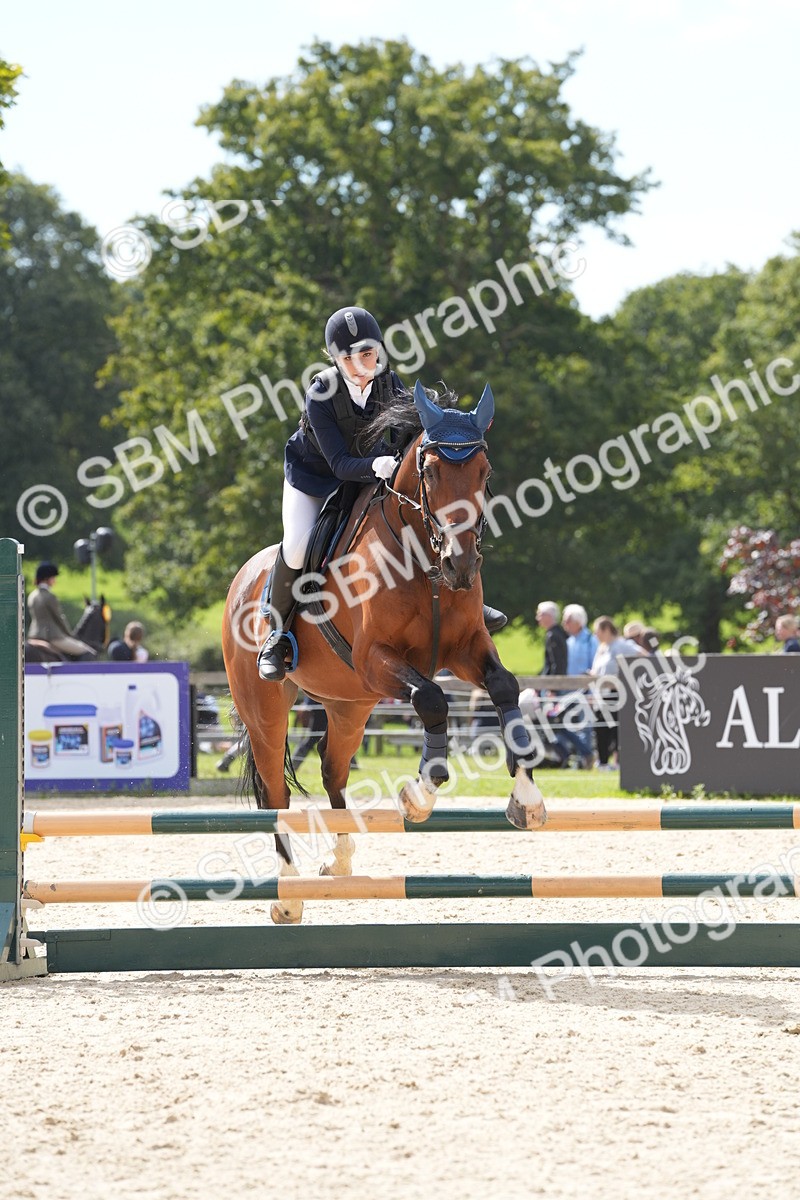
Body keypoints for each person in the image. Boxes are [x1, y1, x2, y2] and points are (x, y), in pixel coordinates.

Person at [257, 306, 506, 681]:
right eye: (349, 358)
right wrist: (376, 466)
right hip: (314, 477)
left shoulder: (390, 384)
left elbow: (414, 437)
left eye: (368, 355)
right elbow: (340, 463)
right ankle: (278, 634)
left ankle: (467, 604)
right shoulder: (321, 393)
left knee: (421, 517)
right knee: (296, 545)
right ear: (333, 359)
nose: (361, 365)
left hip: (372, 474)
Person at [589, 616, 646, 769]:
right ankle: (603, 762)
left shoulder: (621, 645)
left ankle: (619, 762)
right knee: (600, 728)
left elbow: (643, 656)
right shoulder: (602, 648)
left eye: (598, 631)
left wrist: (628, 676)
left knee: (615, 729)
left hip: (616, 694)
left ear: (606, 630)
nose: (596, 635)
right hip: (602, 694)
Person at [27, 562, 97, 660]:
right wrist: (70, 635)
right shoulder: (50, 597)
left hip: (34, 635)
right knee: (87, 651)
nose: (55, 580)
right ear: (47, 579)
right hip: (52, 636)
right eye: (53, 578)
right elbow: (59, 619)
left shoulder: (32, 595)